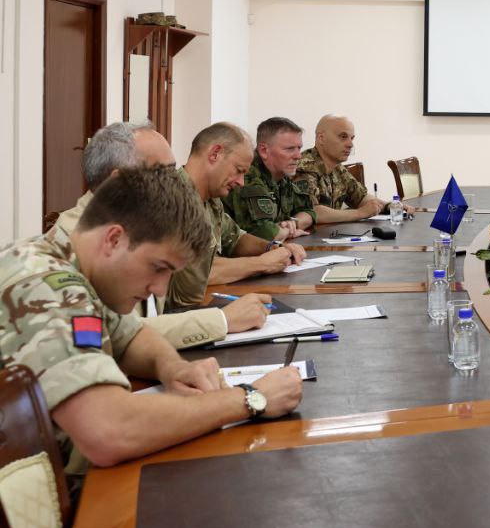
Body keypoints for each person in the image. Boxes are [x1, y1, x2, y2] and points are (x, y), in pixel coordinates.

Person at [0, 165, 303, 477]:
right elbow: (107, 430)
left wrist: (173, 367)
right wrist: (249, 398)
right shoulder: (46, 286)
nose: (160, 289)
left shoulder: (76, 266)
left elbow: (130, 336)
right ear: (114, 239)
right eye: (158, 267)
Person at [53, 122, 272, 347]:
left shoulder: (142, 224)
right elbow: (112, 334)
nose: (176, 181)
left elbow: (173, 304)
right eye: (163, 174)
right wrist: (223, 320)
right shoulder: (76, 241)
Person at [168, 122, 307, 309]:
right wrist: (261, 264)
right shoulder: (174, 200)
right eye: (238, 170)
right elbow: (195, 277)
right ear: (215, 154)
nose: (241, 182)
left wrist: (272, 248)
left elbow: (235, 238)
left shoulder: (210, 198)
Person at [227, 117, 317, 242]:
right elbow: (265, 233)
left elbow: (309, 212)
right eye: (290, 149)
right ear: (264, 151)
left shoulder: (282, 176)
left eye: (299, 148)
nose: (298, 156)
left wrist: (293, 223)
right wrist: (288, 231)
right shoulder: (248, 177)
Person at [293, 115, 388, 223]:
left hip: (330, 231)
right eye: (343, 137)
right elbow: (311, 212)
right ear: (321, 138)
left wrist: (390, 206)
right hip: (306, 233)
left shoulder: (338, 168)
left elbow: (361, 197)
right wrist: (360, 213)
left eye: (352, 138)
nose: (350, 144)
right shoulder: (305, 167)